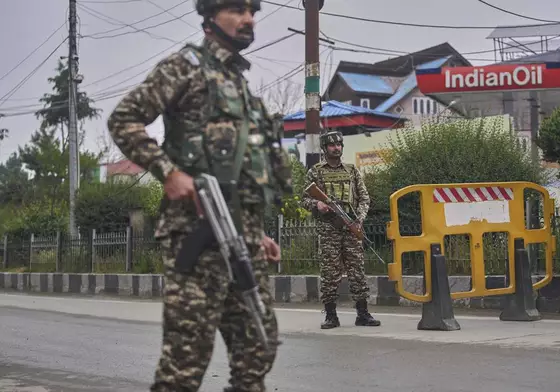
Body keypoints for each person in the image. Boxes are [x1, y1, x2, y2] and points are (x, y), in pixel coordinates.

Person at [106, 0, 293, 390]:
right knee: (185, 362)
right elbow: (124, 119)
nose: (248, 19)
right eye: (237, 10)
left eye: (252, 11)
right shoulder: (184, 68)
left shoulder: (238, 84)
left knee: (259, 346)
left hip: (241, 239)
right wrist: (168, 172)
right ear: (210, 17)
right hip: (195, 234)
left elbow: (236, 172)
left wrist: (256, 232)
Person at [300, 131, 381, 329]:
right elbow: (304, 199)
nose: (336, 148)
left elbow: (364, 198)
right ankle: (331, 316)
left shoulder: (352, 170)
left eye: (339, 144)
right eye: (332, 145)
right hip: (329, 230)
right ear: (324, 148)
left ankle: (363, 314)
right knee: (329, 273)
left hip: (351, 226)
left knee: (357, 272)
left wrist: (359, 220)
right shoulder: (316, 172)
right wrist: (317, 205)